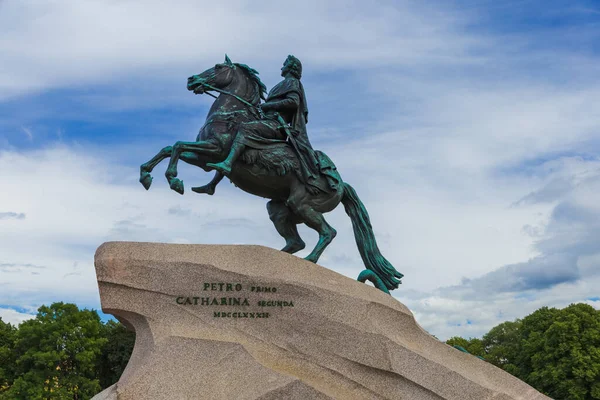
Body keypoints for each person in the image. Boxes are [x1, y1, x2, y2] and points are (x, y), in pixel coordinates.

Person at [207, 55, 322, 189]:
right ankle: (212, 185)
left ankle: (227, 164)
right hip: (268, 121)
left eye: (284, 64)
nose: (282, 67)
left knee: (245, 128)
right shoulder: (283, 84)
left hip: (277, 125)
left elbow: (293, 102)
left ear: (291, 68)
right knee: (231, 136)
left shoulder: (292, 82)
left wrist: (267, 106)